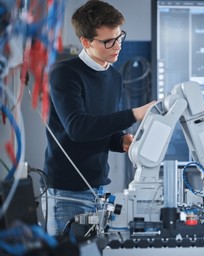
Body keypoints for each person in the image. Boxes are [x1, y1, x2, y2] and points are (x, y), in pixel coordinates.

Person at [43, 0, 154, 235]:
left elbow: (102, 126)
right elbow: (78, 128)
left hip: (99, 188)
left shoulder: (113, 77)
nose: (117, 46)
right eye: (108, 41)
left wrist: (120, 140)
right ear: (86, 42)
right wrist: (134, 114)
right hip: (66, 193)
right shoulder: (65, 74)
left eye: (119, 37)